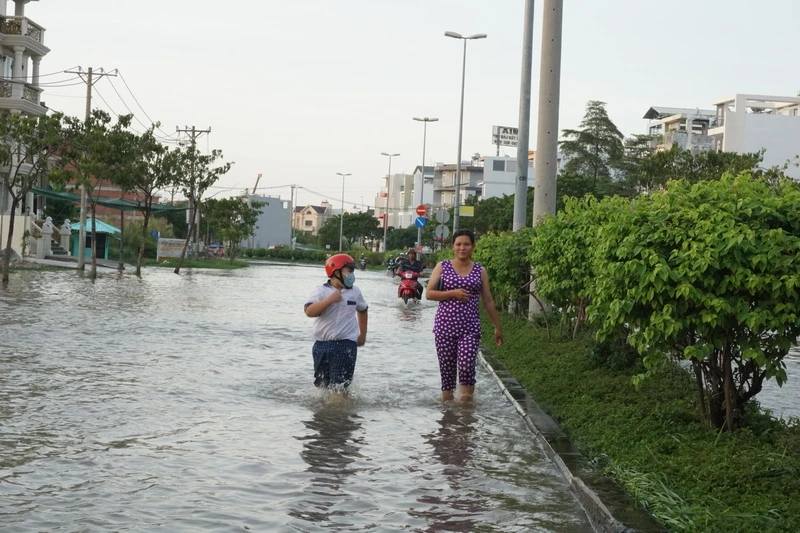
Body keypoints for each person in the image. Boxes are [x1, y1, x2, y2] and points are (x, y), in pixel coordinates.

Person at [425, 229, 503, 403]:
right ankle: (448, 414)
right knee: (447, 372)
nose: (462, 248)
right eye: (458, 244)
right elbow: (429, 294)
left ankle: (466, 411)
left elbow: (488, 300)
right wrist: (453, 293)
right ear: (453, 246)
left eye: (466, 244)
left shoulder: (480, 271)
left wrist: (497, 326)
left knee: (467, 366)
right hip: (445, 327)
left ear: (473, 247)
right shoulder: (442, 266)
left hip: (470, 327)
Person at [304, 253, 368, 394]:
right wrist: (330, 300)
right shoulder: (320, 290)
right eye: (349, 271)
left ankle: (339, 415)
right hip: (321, 346)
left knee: (339, 387)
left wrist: (362, 334)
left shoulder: (355, 292)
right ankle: (324, 416)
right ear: (336, 271)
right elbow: (309, 311)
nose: (352, 275)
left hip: (345, 344)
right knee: (322, 388)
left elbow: (363, 310)